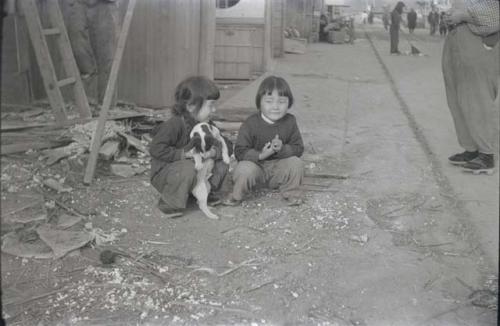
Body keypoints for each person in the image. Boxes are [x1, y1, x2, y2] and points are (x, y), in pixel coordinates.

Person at [149, 76, 233, 218]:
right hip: (167, 174)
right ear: (190, 106)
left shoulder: (207, 125)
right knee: (188, 167)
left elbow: (227, 146)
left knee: (221, 163)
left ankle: (203, 194)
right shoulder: (174, 124)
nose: (214, 109)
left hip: (194, 172)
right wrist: (184, 154)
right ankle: (169, 203)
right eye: (210, 105)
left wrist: (213, 152)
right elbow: (156, 149)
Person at [222, 76, 305, 207]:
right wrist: (260, 155)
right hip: (256, 172)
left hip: (278, 173)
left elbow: (298, 148)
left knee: (296, 163)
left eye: (281, 102)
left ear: (289, 103)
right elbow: (239, 151)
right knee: (243, 168)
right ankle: (236, 195)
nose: (275, 107)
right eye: (269, 101)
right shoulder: (251, 123)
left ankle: (292, 193)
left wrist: (283, 149)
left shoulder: (290, 121)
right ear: (259, 103)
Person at [442, 0, 499, 174]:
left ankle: (486, 155)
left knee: (477, 99)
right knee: (458, 100)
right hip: (457, 41)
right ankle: (471, 149)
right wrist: (451, 17)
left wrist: (464, 15)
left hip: (478, 43)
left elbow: (494, 14)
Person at [59, 0, 120, 107]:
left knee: (106, 56)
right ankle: (88, 99)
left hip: (105, 5)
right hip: (79, 3)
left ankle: (106, 106)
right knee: (78, 47)